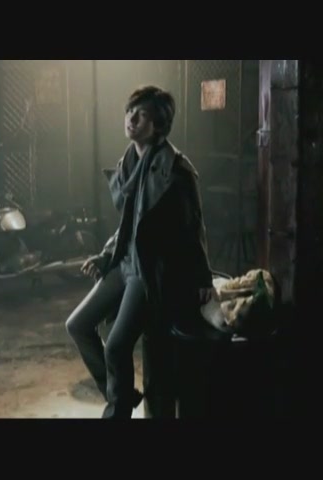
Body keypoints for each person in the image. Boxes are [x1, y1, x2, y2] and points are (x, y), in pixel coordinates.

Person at [65, 85, 214, 419]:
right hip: (126, 262)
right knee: (77, 325)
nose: (131, 119)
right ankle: (122, 394)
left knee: (117, 346)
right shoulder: (128, 163)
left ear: (158, 124)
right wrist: (106, 255)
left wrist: (202, 276)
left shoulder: (176, 169)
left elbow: (193, 227)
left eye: (142, 114)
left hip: (150, 269)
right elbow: (130, 224)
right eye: (130, 112)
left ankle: (116, 411)